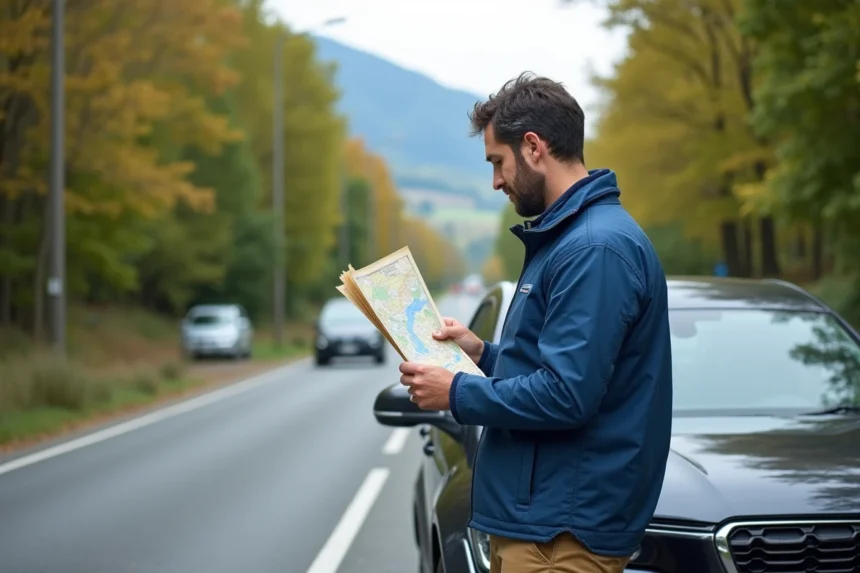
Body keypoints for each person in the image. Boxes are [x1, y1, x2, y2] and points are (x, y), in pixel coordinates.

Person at [398, 72, 673, 573]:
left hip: (561, 535)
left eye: (497, 163)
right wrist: (484, 354)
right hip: (545, 523)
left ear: (533, 147)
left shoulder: (594, 249)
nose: (496, 181)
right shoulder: (572, 240)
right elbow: (571, 369)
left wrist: (456, 391)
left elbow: (567, 394)